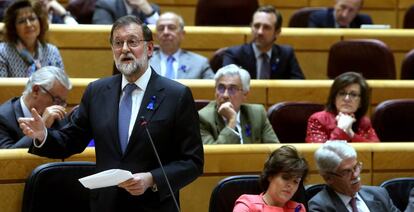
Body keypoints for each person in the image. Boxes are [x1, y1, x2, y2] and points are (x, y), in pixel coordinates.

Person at [18, 15, 204, 212]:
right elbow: (72, 139)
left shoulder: (176, 95)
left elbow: (193, 162)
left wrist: (152, 179)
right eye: (118, 43)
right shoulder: (97, 91)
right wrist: (42, 135)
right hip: (106, 205)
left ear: (149, 49)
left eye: (132, 42)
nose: (124, 49)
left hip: (154, 205)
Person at [308, 141, 400, 212]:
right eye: (346, 172)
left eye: (356, 167)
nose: (355, 175)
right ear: (328, 178)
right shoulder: (319, 207)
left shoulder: (379, 194)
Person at [199, 64, 279, 144]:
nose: (225, 95)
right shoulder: (203, 118)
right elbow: (213, 155)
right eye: (221, 88)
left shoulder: (257, 114)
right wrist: (231, 123)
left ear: (245, 94)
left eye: (232, 89)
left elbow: (275, 150)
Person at [222, 5, 305, 79]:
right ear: (251, 27)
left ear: (277, 32)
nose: (260, 32)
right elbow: (227, 87)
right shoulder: (234, 55)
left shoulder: (286, 54)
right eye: (256, 26)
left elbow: (299, 88)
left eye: (266, 27)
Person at [0, 66, 71, 149]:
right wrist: (42, 127)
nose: (59, 107)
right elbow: (8, 160)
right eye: (57, 100)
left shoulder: (57, 116)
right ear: (36, 90)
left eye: (62, 102)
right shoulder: (3, 118)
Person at [306, 72, 379, 143]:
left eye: (353, 95)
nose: (347, 99)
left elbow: (375, 152)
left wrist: (351, 134)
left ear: (361, 102)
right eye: (342, 93)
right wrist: (341, 128)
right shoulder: (318, 119)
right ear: (334, 98)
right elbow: (321, 153)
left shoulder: (364, 122)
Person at [233, 145, 308, 212]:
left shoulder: (298, 209)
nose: (290, 185)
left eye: (295, 181)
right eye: (285, 177)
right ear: (270, 175)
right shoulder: (247, 205)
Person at [0, 0, 64, 77]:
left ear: (40, 22)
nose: (28, 24)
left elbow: (62, 85)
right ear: (13, 28)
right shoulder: (3, 52)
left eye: (32, 19)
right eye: (22, 21)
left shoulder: (52, 52)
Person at [149, 12, 214, 79]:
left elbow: (212, 88)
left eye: (171, 28)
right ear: (156, 36)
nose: (165, 32)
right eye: (161, 28)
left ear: (182, 34)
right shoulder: (145, 61)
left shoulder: (200, 63)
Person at [308, 0, 373, 28]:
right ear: (335, 3)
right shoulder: (318, 19)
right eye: (342, 7)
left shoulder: (364, 21)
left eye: (351, 10)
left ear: (358, 11)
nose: (344, 15)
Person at [92, 0, 160, 25]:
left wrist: (149, 12)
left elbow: (162, 33)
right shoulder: (105, 5)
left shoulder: (153, 10)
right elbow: (102, 34)